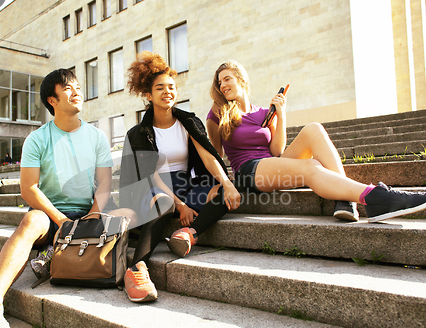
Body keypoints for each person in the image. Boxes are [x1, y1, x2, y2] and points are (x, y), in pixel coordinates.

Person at [0, 69, 135, 328]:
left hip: (88, 213)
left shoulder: (96, 137)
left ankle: (55, 253)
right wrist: (61, 220)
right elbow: (29, 189)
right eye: (68, 88)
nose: (77, 91)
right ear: (52, 100)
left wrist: (93, 214)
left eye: (78, 87)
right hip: (51, 215)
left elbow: (105, 184)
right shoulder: (37, 139)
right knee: (31, 221)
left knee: (130, 211)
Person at [207, 60, 426, 223]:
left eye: (227, 79)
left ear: (242, 79)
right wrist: (220, 184)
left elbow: (276, 149)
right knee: (311, 165)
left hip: (271, 164)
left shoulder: (265, 112)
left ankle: (345, 200)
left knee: (314, 129)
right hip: (248, 172)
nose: (223, 85)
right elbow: (214, 154)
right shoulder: (218, 113)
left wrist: (281, 114)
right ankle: (379, 197)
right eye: (220, 82)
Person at [119, 52, 241, 303]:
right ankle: (136, 268)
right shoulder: (139, 132)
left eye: (172, 87)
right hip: (154, 190)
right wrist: (179, 204)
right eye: (160, 87)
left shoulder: (188, 122)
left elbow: (208, 157)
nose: (168, 92)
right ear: (148, 95)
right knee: (163, 203)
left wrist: (225, 183)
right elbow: (151, 177)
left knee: (224, 192)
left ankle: (189, 234)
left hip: (186, 184)